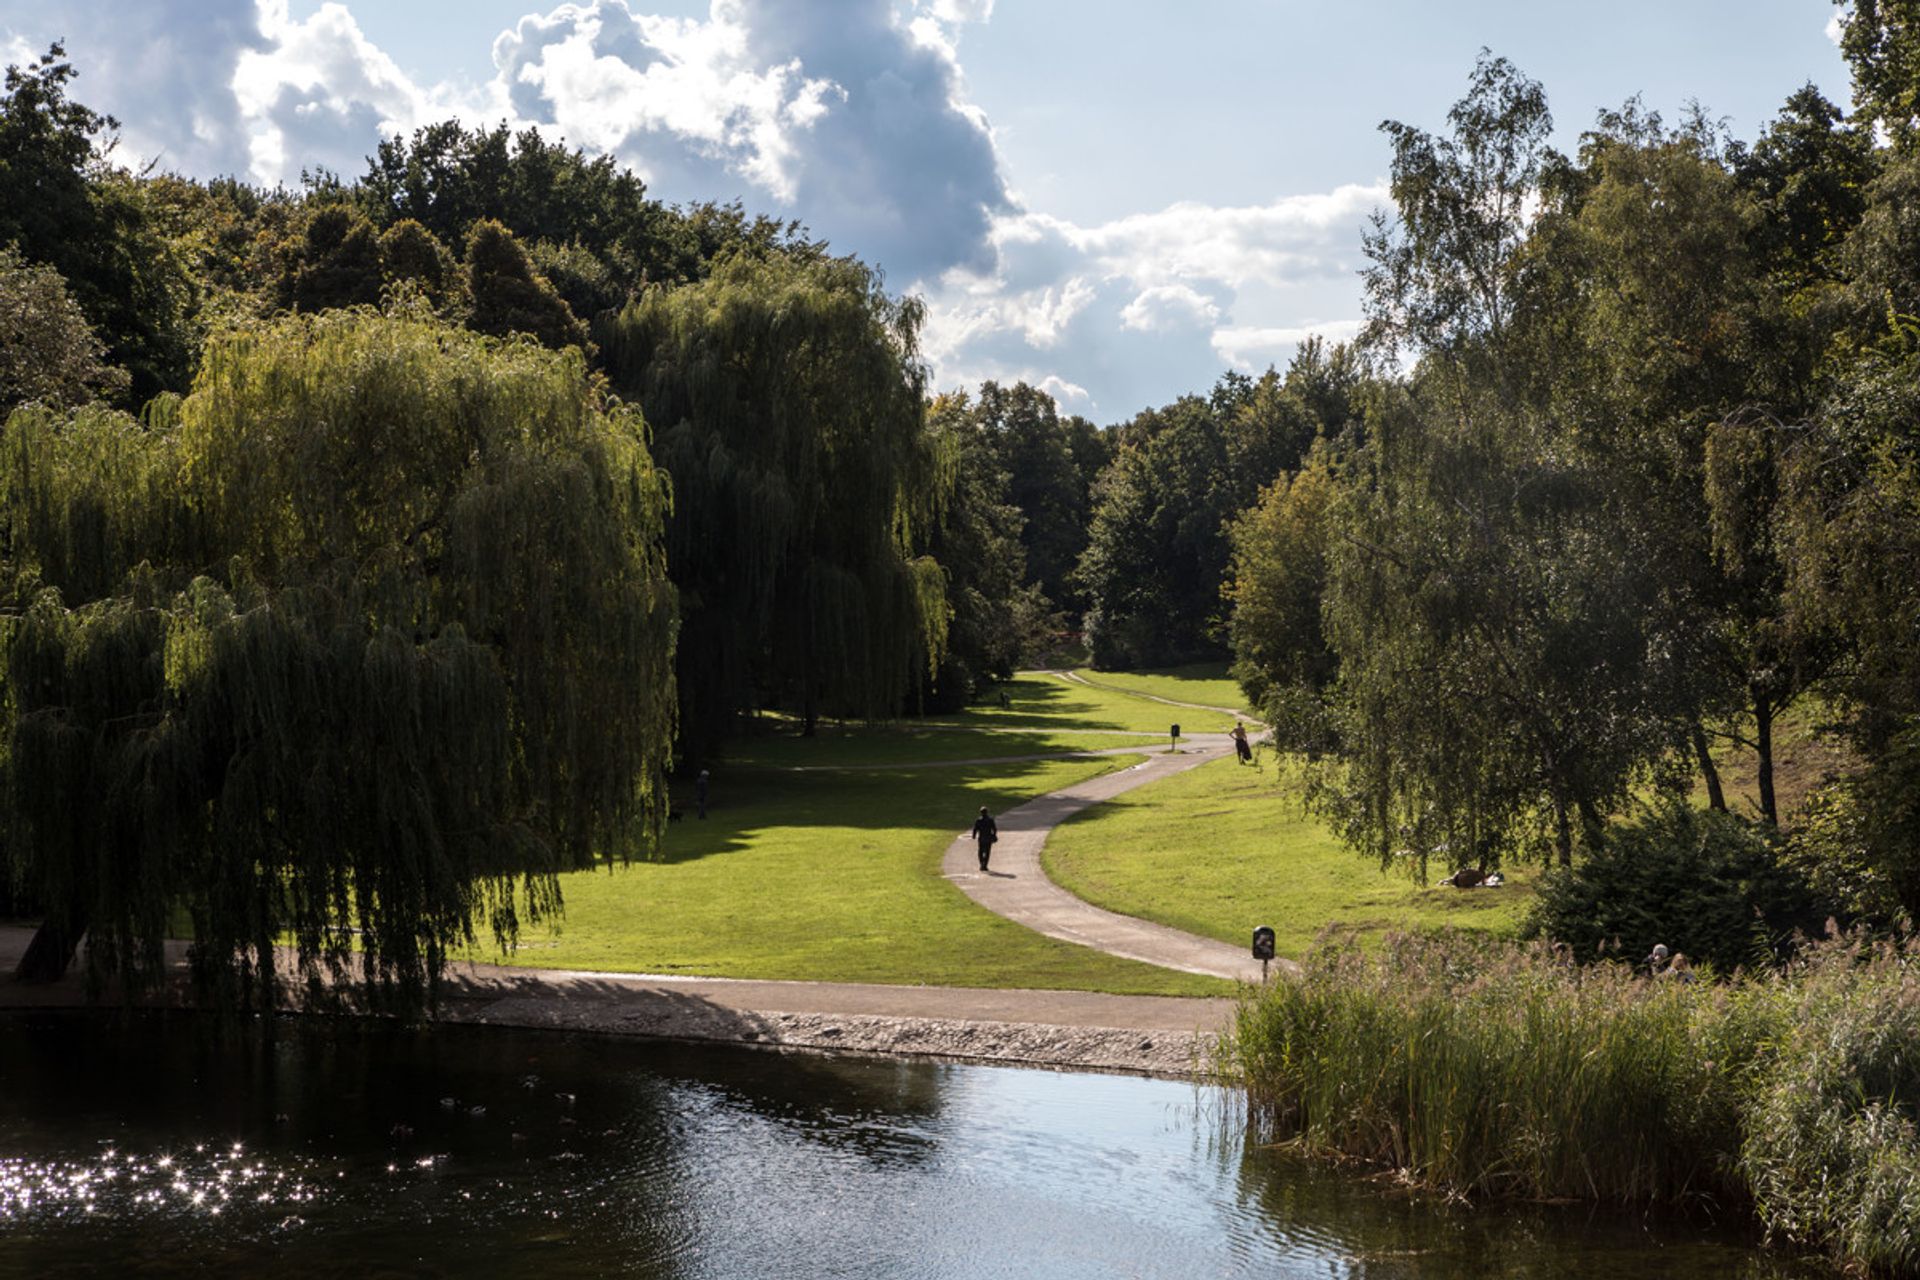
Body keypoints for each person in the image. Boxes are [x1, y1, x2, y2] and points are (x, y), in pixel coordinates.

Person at [971, 806, 998, 872]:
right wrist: (994, 835)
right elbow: (994, 829)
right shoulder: (990, 820)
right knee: (987, 852)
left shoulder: (979, 820)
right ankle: (985, 865)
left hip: (981, 838)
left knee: (980, 851)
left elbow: (975, 829)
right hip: (988, 838)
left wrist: (974, 835)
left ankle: (981, 864)